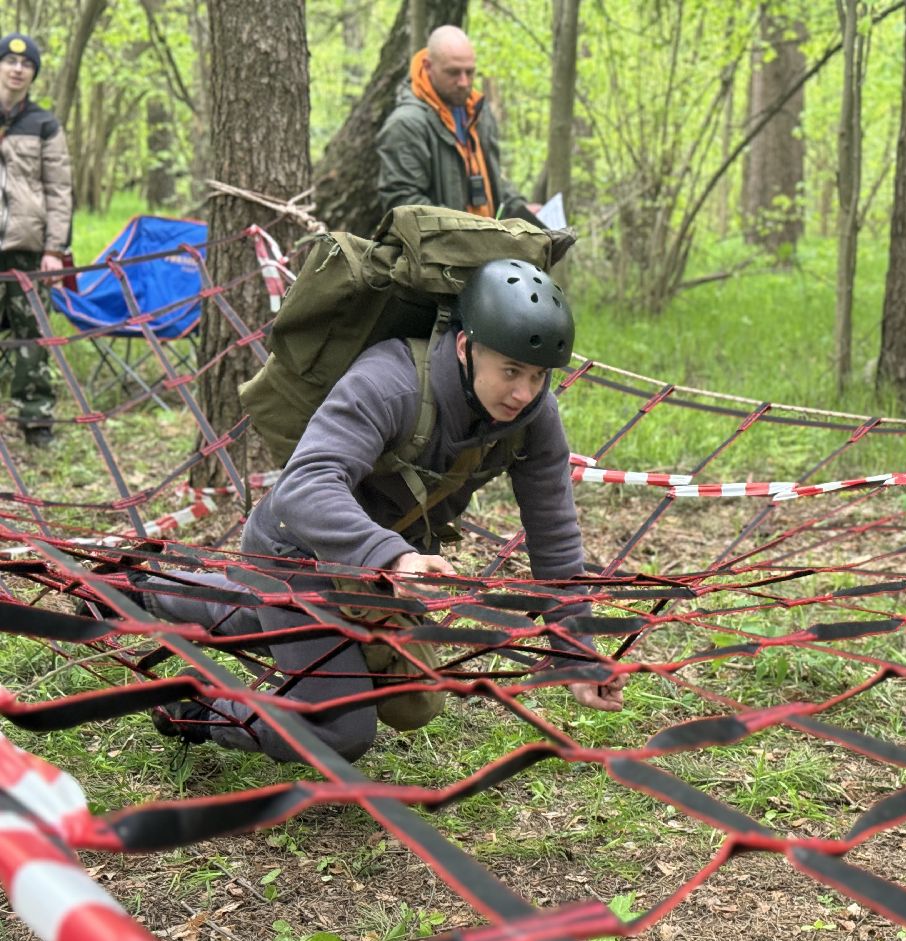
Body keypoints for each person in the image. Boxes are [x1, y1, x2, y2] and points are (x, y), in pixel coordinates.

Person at [130, 259, 626, 763]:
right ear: (464, 348)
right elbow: (305, 485)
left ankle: (141, 590)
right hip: (297, 549)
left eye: (538, 376)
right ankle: (193, 705)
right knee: (338, 730)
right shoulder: (391, 381)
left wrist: (576, 653)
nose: (524, 393)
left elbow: (554, 535)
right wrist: (395, 558)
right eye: (511, 371)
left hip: (377, 572)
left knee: (412, 703)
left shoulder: (534, 416)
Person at [377, 25, 537, 225]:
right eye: (453, 72)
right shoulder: (406, 125)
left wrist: (521, 209)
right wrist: (469, 230)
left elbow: (493, 183)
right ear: (428, 66)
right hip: (446, 245)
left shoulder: (478, 113)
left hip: (488, 240)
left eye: (469, 72)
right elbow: (403, 205)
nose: (463, 82)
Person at [0, 32, 69, 448]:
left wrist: (54, 250)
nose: (17, 69)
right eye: (10, 61)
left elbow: (59, 191)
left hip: (26, 249)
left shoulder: (44, 124)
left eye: (26, 64)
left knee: (33, 336)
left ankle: (36, 422)